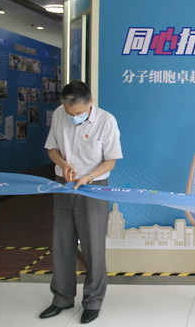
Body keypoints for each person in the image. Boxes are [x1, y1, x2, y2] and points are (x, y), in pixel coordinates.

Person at [39, 81, 123, 324]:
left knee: (93, 246)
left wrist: (89, 176)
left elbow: (111, 161)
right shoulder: (59, 114)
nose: (74, 116)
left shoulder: (106, 121)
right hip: (63, 183)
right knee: (62, 243)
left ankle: (93, 301)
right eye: (70, 112)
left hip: (93, 187)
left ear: (91, 102)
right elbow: (52, 149)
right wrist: (63, 164)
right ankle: (62, 298)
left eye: (79, 112)